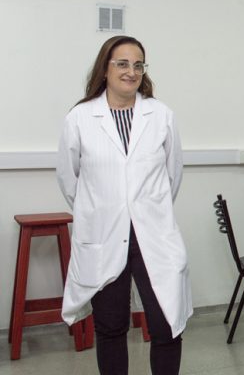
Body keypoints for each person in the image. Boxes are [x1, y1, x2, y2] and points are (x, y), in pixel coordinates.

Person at [57, 35, 192, 375]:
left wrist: (144, 208)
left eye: (138, 65)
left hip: (154, 236)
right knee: (111, 326)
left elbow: (172, 175)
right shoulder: (81, 117)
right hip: (104, 236)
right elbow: (70, 180)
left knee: (166, 325)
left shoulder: (160, 115)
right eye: (122, 63)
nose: (131, 72)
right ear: (105, 69)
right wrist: (105, 207)